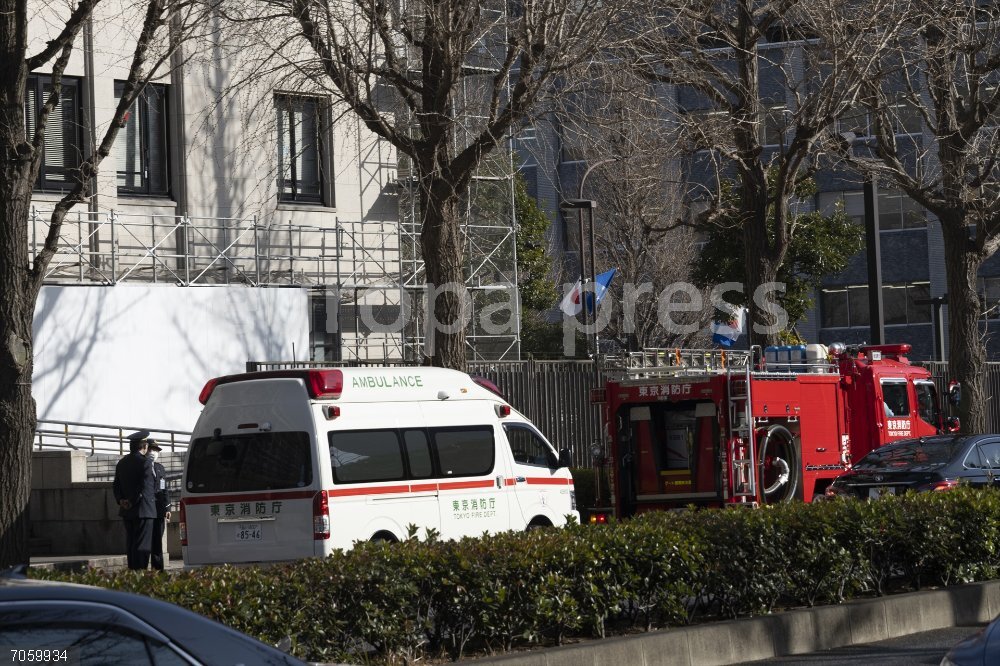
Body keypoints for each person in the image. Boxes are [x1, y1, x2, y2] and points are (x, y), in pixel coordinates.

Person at [113, 430, 156, 570]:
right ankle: (140, 573)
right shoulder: (145, 463)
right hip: (143, 509)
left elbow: (116, 485)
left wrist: (121, 500)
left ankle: (132, 571)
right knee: (143, 545)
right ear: (143, 446)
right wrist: (132, 500)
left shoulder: (122, 462)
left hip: (127, 510)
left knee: (131, 543)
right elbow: (143, 486)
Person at [148, 439, 171, 570]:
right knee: (148, 542)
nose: (154, 452)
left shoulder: (160, 468)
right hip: (146, 509)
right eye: (152, 449)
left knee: (157, 543)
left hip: (159, 510)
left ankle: (158, 570)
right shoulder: (142, 467)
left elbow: (164, 488)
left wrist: (167, 507)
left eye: (156, 450)